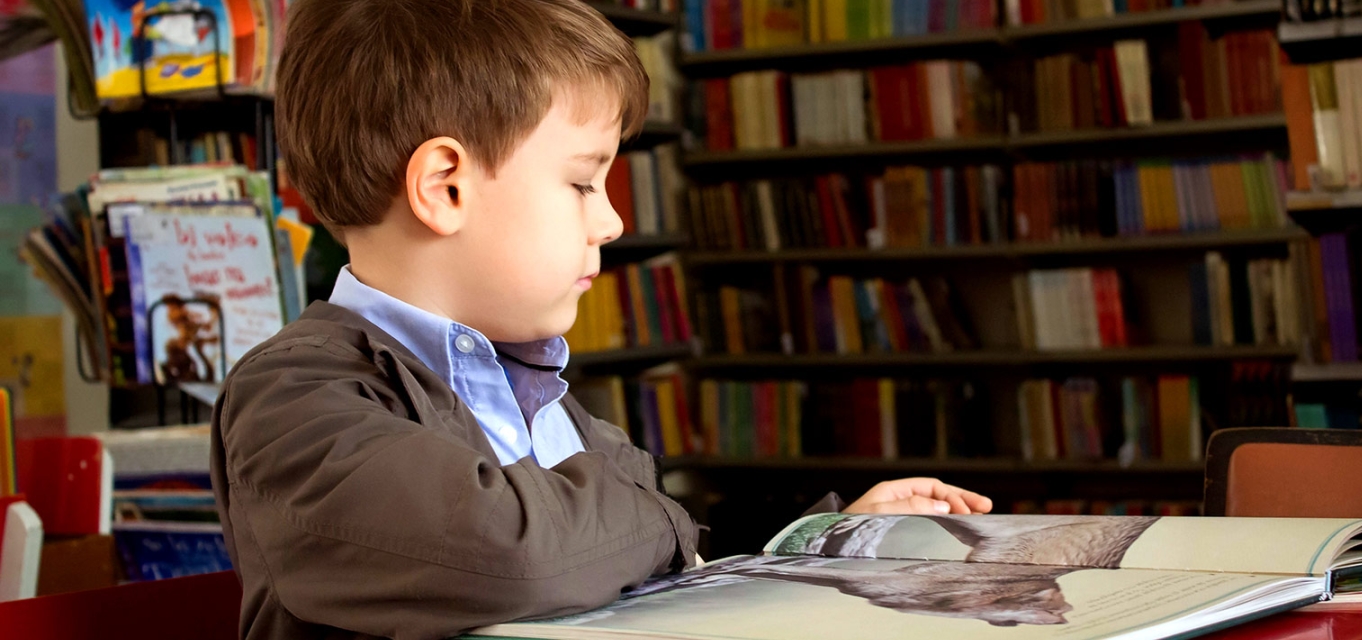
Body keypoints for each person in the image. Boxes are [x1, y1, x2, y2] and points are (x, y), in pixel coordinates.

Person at [209, 1, 993, 638]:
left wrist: (813, 541)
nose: (611, 221)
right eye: (584, 183)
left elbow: (624, 556)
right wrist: (659, 514)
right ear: (445, 187)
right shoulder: (292, 398)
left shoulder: (534, 385)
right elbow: (517, 554)